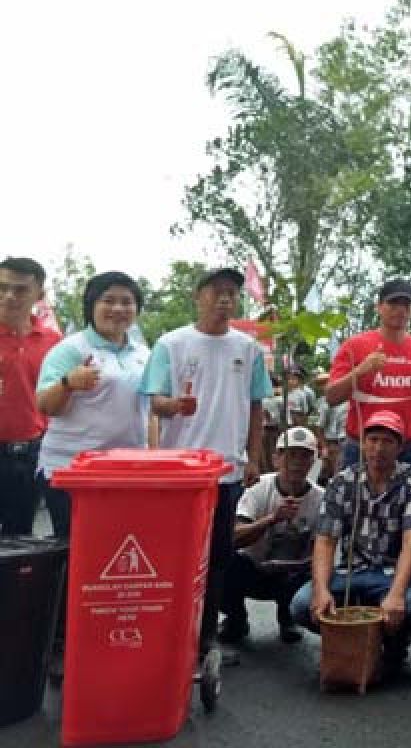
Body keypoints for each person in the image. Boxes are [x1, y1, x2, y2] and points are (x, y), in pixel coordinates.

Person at [141, 266, 271, 658]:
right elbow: (154, 401)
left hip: (227, 470)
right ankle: (168, 629)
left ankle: (205, 635)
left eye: (232, 292)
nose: (225, 299)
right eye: (216, 291)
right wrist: (175, 405)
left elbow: (255, 406)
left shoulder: (248, 349)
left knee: (217, 556)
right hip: (179, 473)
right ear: (198, 297)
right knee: (173, 555)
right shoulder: (171, 344)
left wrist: (252, 457)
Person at [290, 411, 411, 670]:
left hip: (395, 575)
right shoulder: (342, 482)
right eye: (373, 439)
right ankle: (352, 640)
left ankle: (392, 644)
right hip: (351, 571)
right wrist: (321, 590)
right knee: (302, 605)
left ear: (400, 447)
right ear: (363, 443)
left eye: (387, 441)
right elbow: (325, 540)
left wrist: (396, 594)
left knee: (410, 607)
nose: (379, 448)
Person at [36, 272, 149, 538]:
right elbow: (45, 405)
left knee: (116, 547)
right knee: (76, 550)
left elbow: (149, 413)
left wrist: (150, 459)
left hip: (126, 470)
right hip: (72, 470)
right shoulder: (70, 349)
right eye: (108, 300)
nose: (118, 308)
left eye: (127, 301)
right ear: (91, 306)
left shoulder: (144, 354)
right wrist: (68, 382)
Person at [219, 426, 324, 645]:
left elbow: (325, 548)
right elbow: (235, 536)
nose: (297, 462)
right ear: (277, 458)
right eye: (290, 454)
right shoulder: (259, 489)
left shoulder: (321, 498)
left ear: (313, 461)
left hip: (294, 574)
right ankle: (236, 618)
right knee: (222, 560)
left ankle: (288, 617)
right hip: (255, 569)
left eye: (305, 456)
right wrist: (271, 520)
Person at [326, 279, 411, 472]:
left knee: (410, 502)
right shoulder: (354, 346)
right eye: (393, 304)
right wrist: (360, 371)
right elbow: (331, 397)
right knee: (355, 503)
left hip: (407, 449)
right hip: (362, 448)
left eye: (405, 305)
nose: (400, 310)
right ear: (379, 307)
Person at [0, 257, 60, 536]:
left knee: (20, 537)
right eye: (2, 287)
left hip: (32, 451)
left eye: (20, 289)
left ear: (39, 294)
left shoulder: (53, 342)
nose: (9, 296)